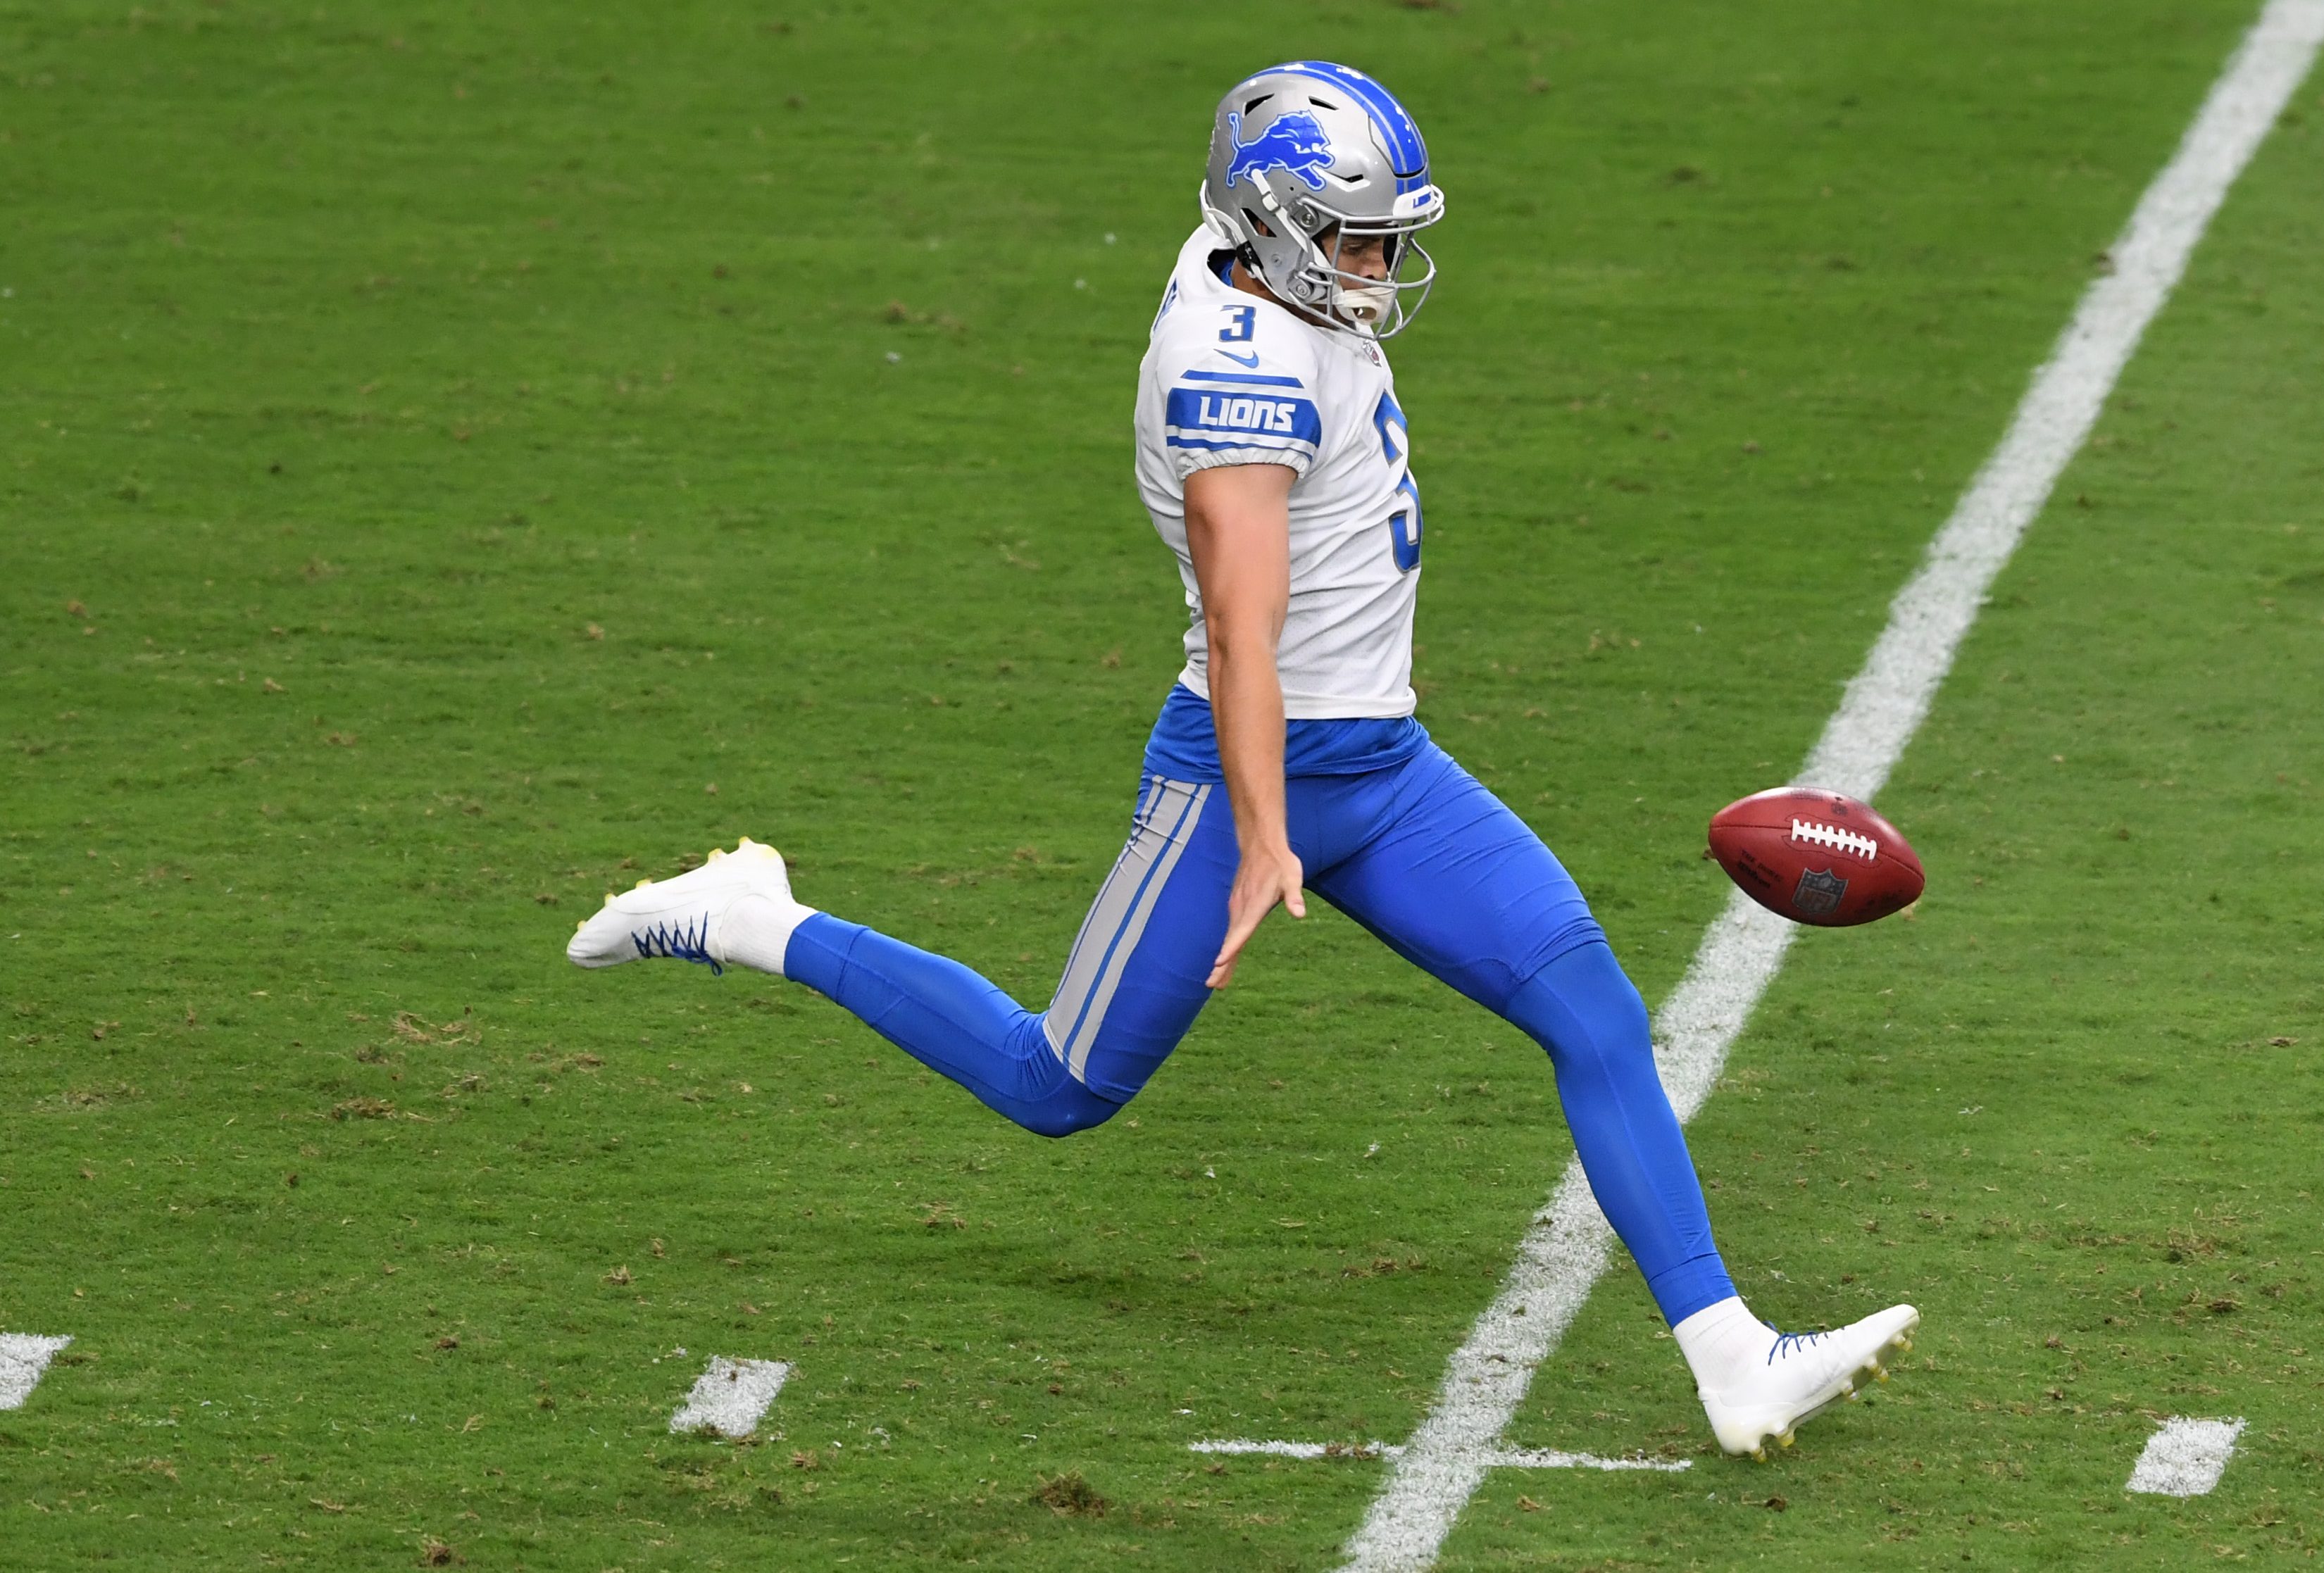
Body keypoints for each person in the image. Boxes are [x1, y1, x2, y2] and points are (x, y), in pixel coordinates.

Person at [566, 60, 1914, 1458]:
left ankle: (1730, 1354)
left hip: (1383, 769)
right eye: (1362, 236)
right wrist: (1267, 833)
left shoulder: (1263, 269)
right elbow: (1242, 630)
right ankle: (752, 916)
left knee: (1592, 1010)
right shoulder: (1234, 378)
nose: (1385, 265)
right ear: (1274, 229)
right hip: (1241, 775)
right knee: (1057, 1083)